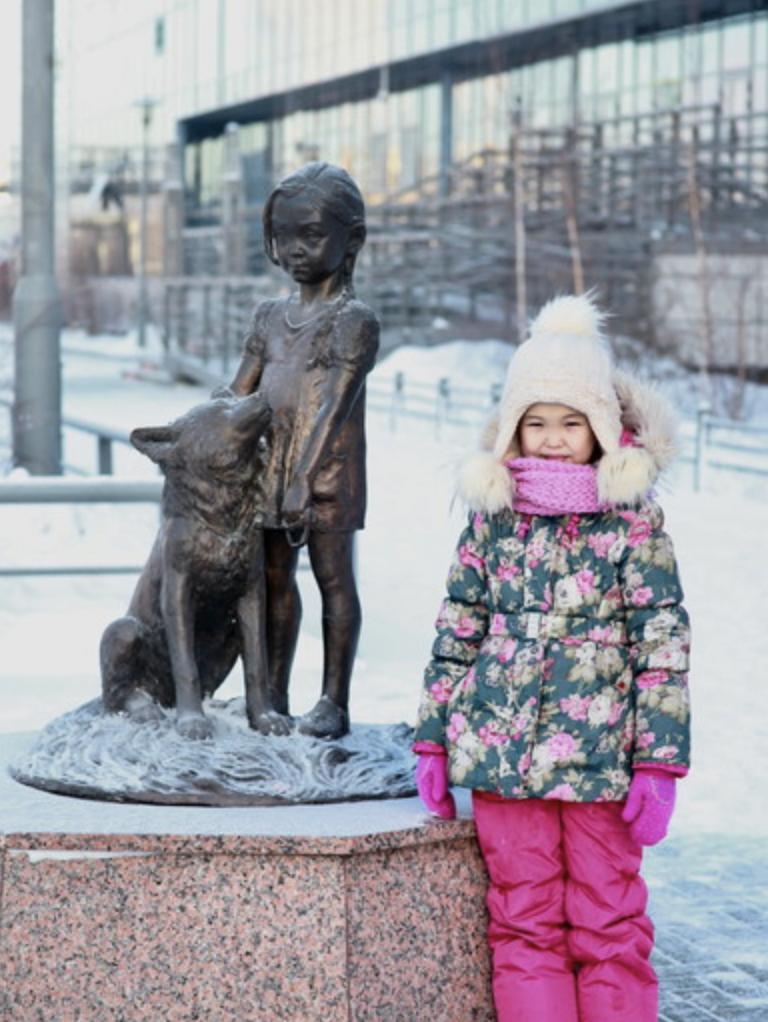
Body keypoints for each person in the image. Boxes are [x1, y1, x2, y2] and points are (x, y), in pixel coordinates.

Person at [413, 293, 691, 1022]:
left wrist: (659, 763)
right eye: (536, 422)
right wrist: (433, 738)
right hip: (502, 757)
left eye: (571, 423)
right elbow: (457, 631)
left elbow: (662, 645)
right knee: (522, 918)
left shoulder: (630, 524)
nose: (554, 439)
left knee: (608, 920)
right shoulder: (492, 522)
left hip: (603, 760)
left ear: (600, 426)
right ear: (513, 427)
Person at [229, 162, 379, 740]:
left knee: (333, 579)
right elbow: (238, 393)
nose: (294, 250)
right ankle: (272, 696)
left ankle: (333, 701)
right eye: (283, 235)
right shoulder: (269, 316)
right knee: (272, 579)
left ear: (352, 239)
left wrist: (303, 478)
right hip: (268, 466)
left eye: (311, 235)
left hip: (327, 472)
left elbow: (333, 408)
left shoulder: (353, 321)